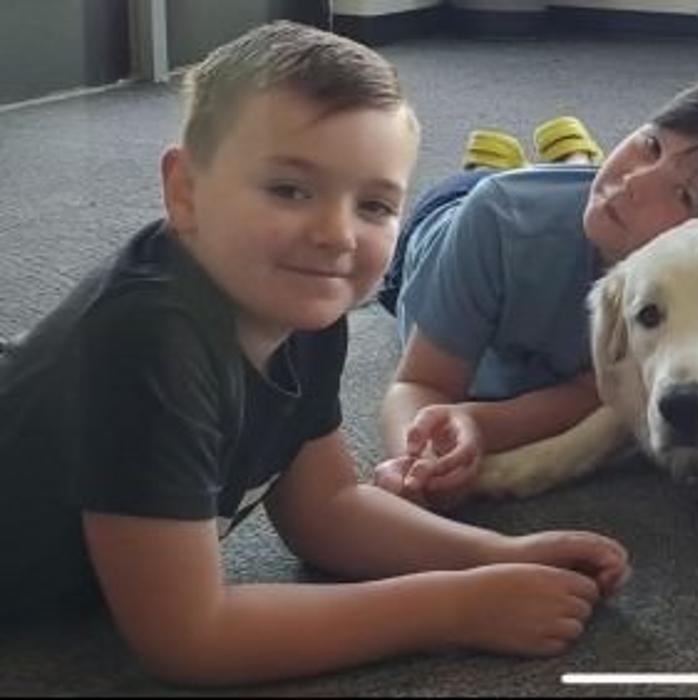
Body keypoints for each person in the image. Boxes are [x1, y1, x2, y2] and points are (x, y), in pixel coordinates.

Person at [0, 21, 628, 685]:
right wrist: (450, 607)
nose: (335, 234)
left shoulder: (305, 303)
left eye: (374, 205)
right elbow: (187, 635)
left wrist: (495, 555)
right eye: (289, 190)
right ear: (184, 191)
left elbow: (327, 511)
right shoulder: (148, 339)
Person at [377, 78, 698, 510]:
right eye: (652, 145)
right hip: (447, 220)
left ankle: (572, 156)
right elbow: (420, 383)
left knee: (583, 191)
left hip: (572, 212)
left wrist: (481, 424)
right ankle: (532, 162)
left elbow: (591, 393)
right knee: (490, 183)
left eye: (683, 194)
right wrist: (421, 459)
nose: (635, 181)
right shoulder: (498, 220)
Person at [374, 117, 603, 314]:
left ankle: (572, 166)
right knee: (586, 209)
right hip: (445, 226)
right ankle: (573, 166)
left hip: (443, 223)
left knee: (584, 207)